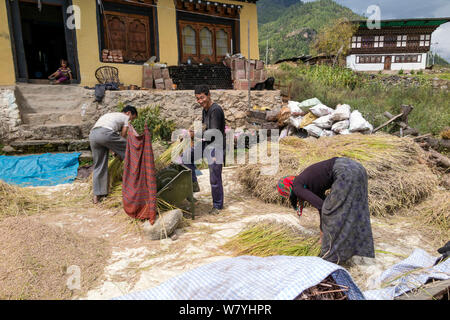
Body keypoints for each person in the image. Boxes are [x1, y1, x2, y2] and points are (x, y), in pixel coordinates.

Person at [277, 157, 375, 264]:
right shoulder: (307, 181)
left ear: (287, 188)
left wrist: (323, 236)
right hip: (358, 169)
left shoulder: (297, 187)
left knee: (334, 212)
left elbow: (322, 207)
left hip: (345, 173)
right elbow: (322, 207)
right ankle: (352, 248)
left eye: (286, 194)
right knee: (353, 210)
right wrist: (321, 231)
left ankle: (329, 257)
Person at [183, 84, 225, 215]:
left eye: (202, 98)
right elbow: (206, 128)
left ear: (208, 95)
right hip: (207, 143)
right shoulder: (204, 110)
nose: (200, 101)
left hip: (216, 147)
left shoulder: (215, 110)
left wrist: (195, 134)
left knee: (214, 178)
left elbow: (214, 133)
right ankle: (194, 184)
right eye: (197, 99)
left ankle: (218, 205)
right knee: (186, 157)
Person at [89, 105, 138, 204]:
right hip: (105, 134)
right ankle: (136, 177)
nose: (130, 121)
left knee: (99, 165)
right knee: (131, 149)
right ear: (128, 113)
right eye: (132, 118)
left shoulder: (110, 115)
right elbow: (123, 134)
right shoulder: (125, 117)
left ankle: (97, 196)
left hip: (93, 136)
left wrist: (115, 150)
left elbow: (109, 140)